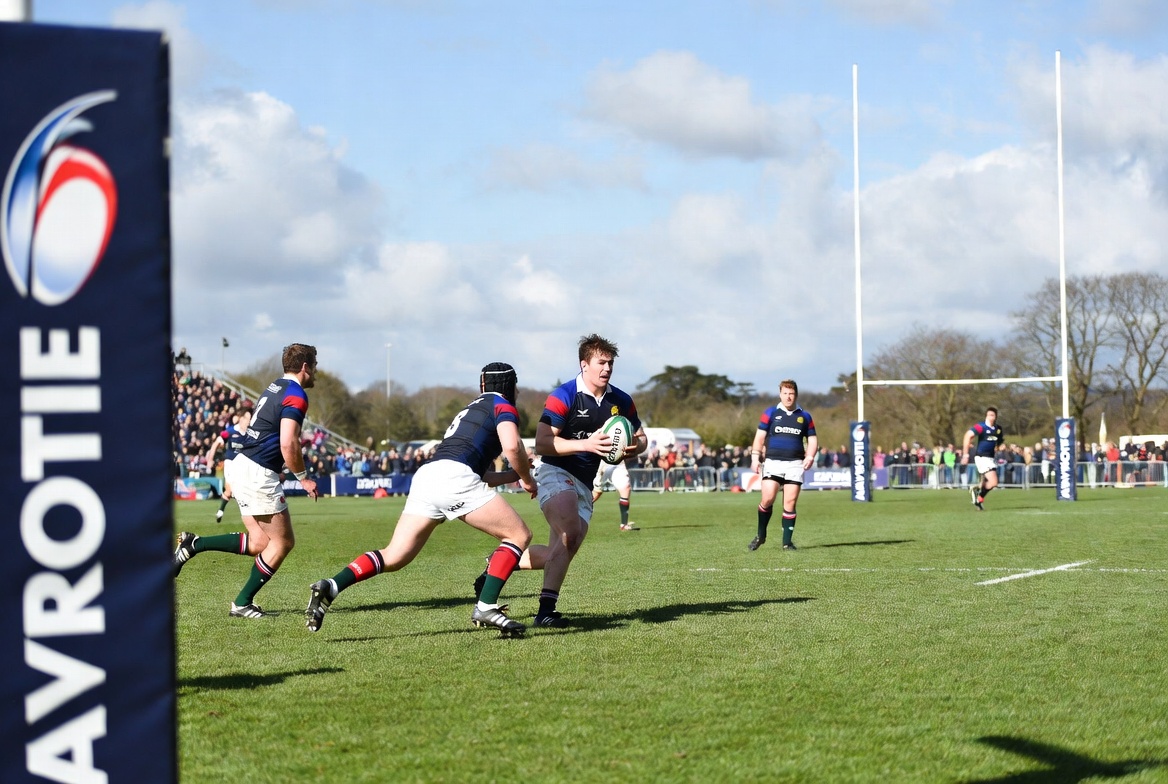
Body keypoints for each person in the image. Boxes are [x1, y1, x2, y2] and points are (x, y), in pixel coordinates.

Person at [304, 363, 537, 636]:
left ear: (482, 386)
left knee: (394, 555)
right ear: (510, 386)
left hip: (429, 476)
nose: (519, 392)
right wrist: (527, 478)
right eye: (517, 386)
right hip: (454, 478)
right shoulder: (504, 406)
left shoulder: (471, 408)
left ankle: (331, 586)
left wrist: (511, 476)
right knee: (518, 535)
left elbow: (479, 474)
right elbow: (512, 446)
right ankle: (486, 606)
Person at [504, 334, 646, 628]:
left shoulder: (621, 400)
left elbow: (642, 437)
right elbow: (543, 443)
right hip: (554, 470)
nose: (607, 368)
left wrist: (635, 446)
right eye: (601, 362)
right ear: (584, 364)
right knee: (570, 531)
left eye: (610, 363)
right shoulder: (564, 395)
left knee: (569, 543)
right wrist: (587, 445)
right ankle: (544, 611)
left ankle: (505, 570)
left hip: (584, 479)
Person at [173, 343, 322, 618]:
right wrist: (303, 478)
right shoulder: (296, 395)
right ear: (304, 367)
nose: (316, 372)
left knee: (258, 542)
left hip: (242, 466)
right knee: (282, 543)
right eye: (314, 366)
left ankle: (194, 544)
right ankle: (242, 603)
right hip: (257, 472)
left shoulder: (274, 386)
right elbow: (289, 441)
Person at [748, 379, 818, 551]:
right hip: (773, 462)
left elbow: (813, 439)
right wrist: (755, 457)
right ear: (780, 394)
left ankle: (787, 543)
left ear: (796, 395)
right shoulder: (770, 413)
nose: (788, 397)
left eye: (791, 394)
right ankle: (761, 535)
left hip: (795, 464)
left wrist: (810, 455)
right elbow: (759, 437)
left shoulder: (805, 416)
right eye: (785, 393)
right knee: (767, 498)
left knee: (790, 502)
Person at [205, 406, 252, 522]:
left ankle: (221, 511)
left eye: (250, 419)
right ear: (241, 419)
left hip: (244, 465)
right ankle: (226, 511)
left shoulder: (251, 434)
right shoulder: (230, 432)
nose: (249, 422)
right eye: (247, 418)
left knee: (235, 491)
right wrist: (210, 460)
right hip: (230, 463)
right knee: (230, 490)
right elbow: (216, 443)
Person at [961, 406, 1003, 511]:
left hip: (990, 458)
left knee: (989, 482)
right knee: (993, 482)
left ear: (996, 417)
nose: (990, 417)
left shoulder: (998, 429)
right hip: (981, 457)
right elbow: (968, 435)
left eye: (992, 415)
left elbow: (999, 442)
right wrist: (965, 455)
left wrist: (998, 447)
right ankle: (978, 495)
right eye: (989, 415)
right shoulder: (981, 427)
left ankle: (978, 498)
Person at [592, 459, 638, 531]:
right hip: (600, 460)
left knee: (625, 488)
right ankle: (575, 509)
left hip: (618, 462)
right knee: (597, 492)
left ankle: (624, 524)